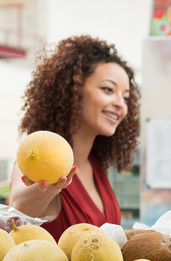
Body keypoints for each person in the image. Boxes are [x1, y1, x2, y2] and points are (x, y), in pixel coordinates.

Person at [9, 35, 140, 241]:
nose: (120, 104)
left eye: (125, 97)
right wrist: (47, 190)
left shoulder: (96, 165)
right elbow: (18, 207)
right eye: (108, 89)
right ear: (74, 90)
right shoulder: (40, 158)